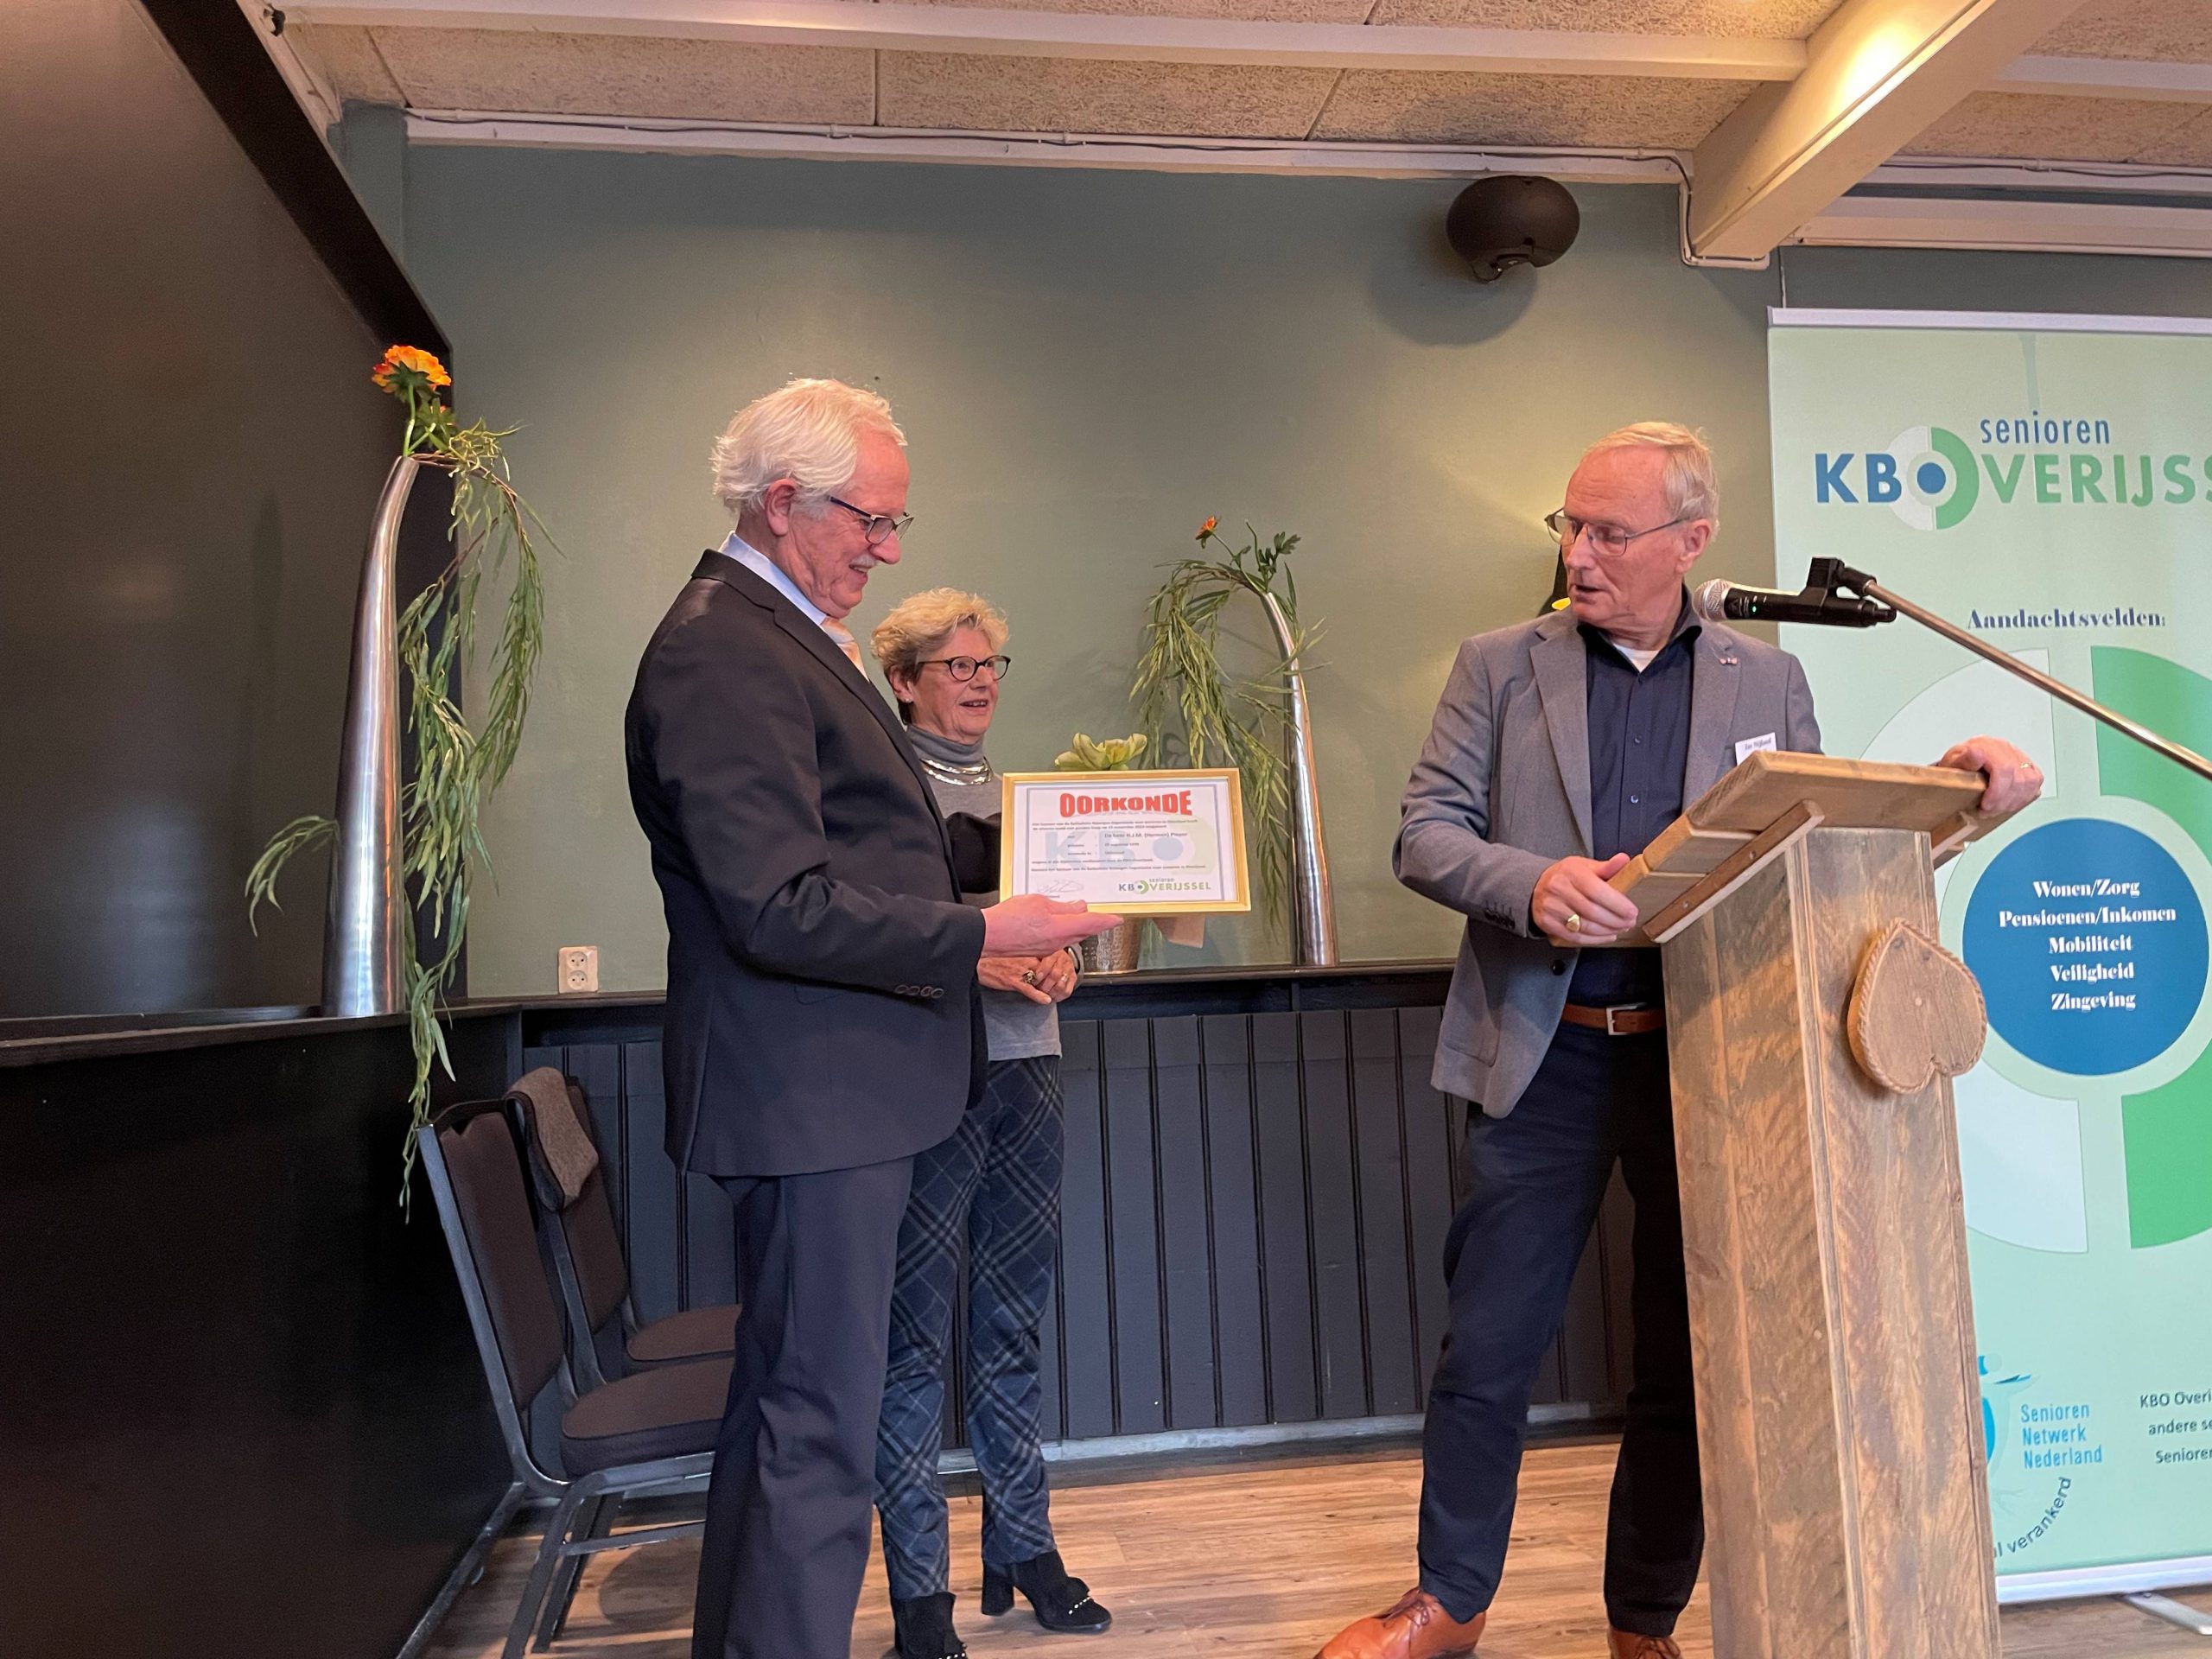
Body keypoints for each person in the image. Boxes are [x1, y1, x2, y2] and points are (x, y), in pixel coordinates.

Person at [1315, 423, 2043, 1659]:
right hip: (1544, 1053)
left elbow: (1817, 844)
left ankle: (1642, 1620)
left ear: (1690, 542)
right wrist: (1531, 882)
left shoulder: (1769, 681)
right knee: (1488, 1346)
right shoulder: (1498, 665)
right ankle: (1449, 1602)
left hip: (1713, 1061)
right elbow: (1423, 833)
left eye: (1609, 532)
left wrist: (1955, 789)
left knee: (1689, 1353)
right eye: (1570, 525)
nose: (1579, 554)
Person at [624, 379, 1116, 1659]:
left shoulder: (780, 636)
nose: (888, 549)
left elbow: (846, 868)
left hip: (837, 1093)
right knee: (816, 1433)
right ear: (784, 502)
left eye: (898, 522)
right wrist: (981, 934)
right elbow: (776, 906)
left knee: (795, 1423)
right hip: (814, 1099)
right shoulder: (724, 647)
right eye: (872, 521)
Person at [866, 588, 1115, 1659]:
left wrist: (1065, 960)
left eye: (988, 666)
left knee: (1013, 1322)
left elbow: (1061, 930)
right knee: (911, 1341)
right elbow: (874, 934)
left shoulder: (1027, 797)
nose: (977, 683)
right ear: (903, 681)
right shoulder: (877, 795)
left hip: (1031, 1072)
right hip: (929, 1084)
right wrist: (975, 954)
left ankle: (1024, 1544)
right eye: (955, 666)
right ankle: (918, 1596)